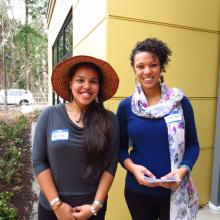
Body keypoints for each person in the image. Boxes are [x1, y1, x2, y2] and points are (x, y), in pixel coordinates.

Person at [117, 38, 200, 220]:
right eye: (141, 66)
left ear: (161, 66)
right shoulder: (126, 106)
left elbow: (193, 145)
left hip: (175, 191)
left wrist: (183, 169)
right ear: (134, 69)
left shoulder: (180, 102)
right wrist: (133, 168)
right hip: (138, 192)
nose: (147, 71)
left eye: (153, 65)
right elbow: (120, 149)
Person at [32, 55, 120, 220]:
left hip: (91, 210)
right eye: (80, 80)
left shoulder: (110, 120)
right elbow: (39, 161)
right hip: (52, 209)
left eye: (93, 81)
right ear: (70, 83)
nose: (87, 86)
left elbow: (111, 164)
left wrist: (95, 206)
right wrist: (57, 205)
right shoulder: (49, 115)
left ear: (99, 87)